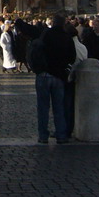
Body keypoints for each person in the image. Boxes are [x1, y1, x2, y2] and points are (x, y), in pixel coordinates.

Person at [36, 13, 75, 143]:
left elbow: (37, 50)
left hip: (44, 74)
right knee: (59, 107)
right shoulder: (66, 37)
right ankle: (61, 135)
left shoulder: (46, 34)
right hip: (59, 76)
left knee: (43, 108)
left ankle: (43, 136)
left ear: (52, 23)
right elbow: (72, 57)